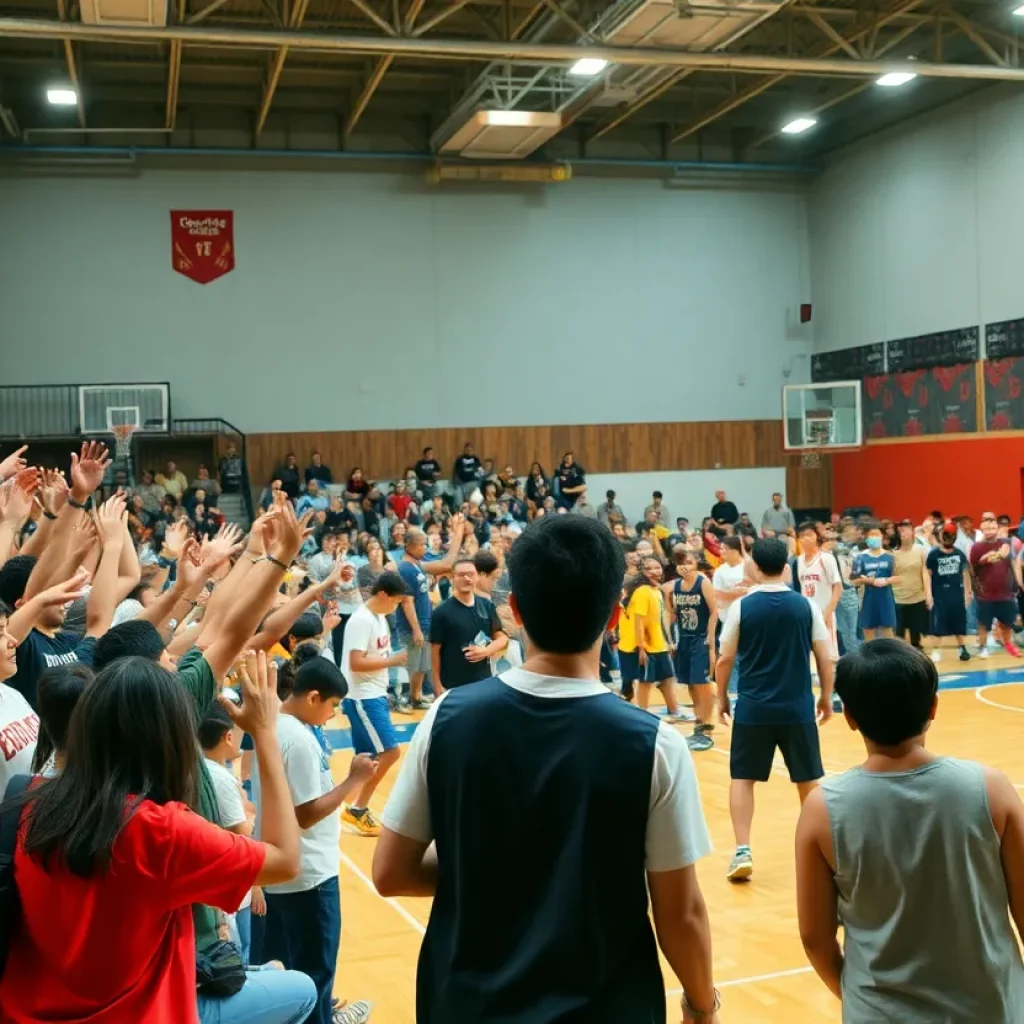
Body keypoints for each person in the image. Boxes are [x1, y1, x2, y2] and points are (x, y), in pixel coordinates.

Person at [373, 514, 720, 1024]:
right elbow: (680, 911)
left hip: (465, 1004)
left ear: (513, 609)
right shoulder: (656, 745)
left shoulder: (445, 720)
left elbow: (390, 872)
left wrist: (495, 862)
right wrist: (701, 1004)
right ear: (613, 616)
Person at [0, 651, 319, 1024]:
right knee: (302, 988)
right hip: (142, 1014)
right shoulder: (160, 832)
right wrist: (265, 732)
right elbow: (286, 860)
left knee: (267, 974)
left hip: (28, 1011)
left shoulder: (27, 802)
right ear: (169, 738)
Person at [796, 640, 1024, 1021]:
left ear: (849, 715)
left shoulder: (821, 809)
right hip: (993, 1007)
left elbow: (815, 940)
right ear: (934, 707)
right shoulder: (991, 789)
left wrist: (858, 999)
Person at [253, 655, 377, 1024]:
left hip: (282, 872)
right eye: (333, 706)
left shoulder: (275, 725)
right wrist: (353, 782)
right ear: (313, 697)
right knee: (316, 974)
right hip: (310, 875)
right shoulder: (299, 740)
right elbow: (304, 815)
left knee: (282, 973)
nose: (332, 715)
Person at [716, 537, 834, 884]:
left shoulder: (741, 608)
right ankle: (819, 853)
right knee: (808, 779)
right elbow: (824, 658)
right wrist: (826, 697)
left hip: (753, 709)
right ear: (786, 568)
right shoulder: (805, 606)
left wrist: (722, 697)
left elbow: (725, 659)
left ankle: (742, 849)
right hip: (797, 708)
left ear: (754, 568)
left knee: (742, 778)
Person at [338, 572, 412, 840]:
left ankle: (343, 807)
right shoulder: (361, 620)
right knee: (391, 752)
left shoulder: (379, 618)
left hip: (374, 693)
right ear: (382, 595)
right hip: (362, 696)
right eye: (396, 601)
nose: (396, 606)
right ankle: (358, 809)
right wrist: (392, 661)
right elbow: (356, 663)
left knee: (366, 758)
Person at [199, 701, 259, 965]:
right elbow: (243, 831)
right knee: (240, 955)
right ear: (228, 736)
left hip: (217, 887)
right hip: (232, 889)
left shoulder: (200, 768)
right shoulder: (221, 778)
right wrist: (252, 814)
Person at [395, 518, 467, 711]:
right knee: (412, 663)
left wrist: (458, 533)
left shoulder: (418, 565)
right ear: (410, 546)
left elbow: (447, 563)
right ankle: (403, 698)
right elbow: (406, 601)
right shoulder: (404, 568)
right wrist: (416, 629)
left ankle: (416, 697)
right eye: (422, 545)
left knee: (421, 665)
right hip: (413, 625)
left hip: (424, 622)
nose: (425, 548)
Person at [621, 556, 690, 722]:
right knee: (645, 682)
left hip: (659, 645)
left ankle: (674, 711)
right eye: (649, 568)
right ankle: (640, 715)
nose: (654, 571)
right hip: (642, 647)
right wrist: (641, 648)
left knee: (666, 679)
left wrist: (669, 641)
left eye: (657, 567)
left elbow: (660, 619)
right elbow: (639, 622)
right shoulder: (643, 591)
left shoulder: (656, 591)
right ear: (641, 572)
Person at [663, 548, 718, 752]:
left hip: (700, 638)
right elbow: (671, 615)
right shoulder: (674, 587)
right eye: (679, 563)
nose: (683, 566)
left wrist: (710, 640)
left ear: (696, 562)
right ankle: (699, 722)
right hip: (684, 639)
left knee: (702, 683)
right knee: (691, 685)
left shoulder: (703, 582)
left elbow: (714, 612)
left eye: (687, 561)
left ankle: (707, 727)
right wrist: (670, 639)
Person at [429, 558, 507, 693]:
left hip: (483, 680)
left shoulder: (486, 605)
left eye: (471, 574)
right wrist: (437, 685)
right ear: (452, 578)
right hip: (453, 684)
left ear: (477, 576)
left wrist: (487, 651)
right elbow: (434, 652)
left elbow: (502, 637)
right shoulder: (441, 612)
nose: (466, 578)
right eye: (461, 575)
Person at [971, 512, 1021, 658]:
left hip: (1004, 592)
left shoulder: (1005, 542)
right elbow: (975, 565)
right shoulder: (976, 547)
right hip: (984, 593)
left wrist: (1016, 583)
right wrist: (987, 558)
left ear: (997, 529)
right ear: (982, 530)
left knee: (1007, 622)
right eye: (986, 529)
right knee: (983, 623)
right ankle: (983, 647)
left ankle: (1008, 644)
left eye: (992, 528)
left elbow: (1007, 557)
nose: (989, 531)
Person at [926, 521, 972, 662]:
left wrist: (967, 593)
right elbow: (928, 575)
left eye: (951, 535)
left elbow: (965, 574)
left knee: (959, 623)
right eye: (945, 534)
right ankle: (935, 650)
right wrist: (928, 594)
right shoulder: (933, 555)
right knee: (938, 625)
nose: (948, 538)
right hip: (939, 595)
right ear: (940, 536)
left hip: (957, 594)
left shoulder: (959, 554)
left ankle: (963, 648)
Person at [795, 521, 841, 661]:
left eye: (809, 535)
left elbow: (838, 588)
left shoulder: (826, 558)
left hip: (825, 613)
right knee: (810, 656)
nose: (805, 538)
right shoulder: (799, 561)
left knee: (829, 657)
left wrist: (827, 613)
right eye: (802, 536)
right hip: (807, 614)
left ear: (817, 536)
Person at [850, 525, 897, 641]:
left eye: (877, 535)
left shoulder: (890, 556)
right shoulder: (860, 558)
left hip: (886, 598)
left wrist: (886, 581)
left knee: (887, 629)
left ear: (882, 537)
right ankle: (869, 657)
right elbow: (854, 580)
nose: (874, 537)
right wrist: (867, 580)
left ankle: (891, 656)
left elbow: (898, 577)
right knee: (868, 629)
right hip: (867, 598)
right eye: (872, 535)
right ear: (867, 538)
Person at [892, 519, 930, 651]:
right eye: (901, 531)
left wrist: (928, 594)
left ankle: (917, 655)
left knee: (916, 634)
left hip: (918, 598)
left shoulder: (921, 551)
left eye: (907, 530)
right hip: (898, 598)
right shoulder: (892, 554)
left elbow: (925, 573)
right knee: (899, 633)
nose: (904, 534)